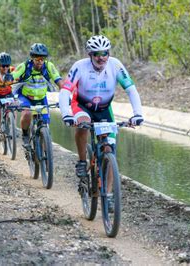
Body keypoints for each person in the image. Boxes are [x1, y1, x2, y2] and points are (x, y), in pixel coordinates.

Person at [59, 35, 144, 207]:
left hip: (104, 109)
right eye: (96, 53)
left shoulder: (116, 65)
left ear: (109, 53)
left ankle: (109, 194)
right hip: (82, 106)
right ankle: (82, 161)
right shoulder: (79, 67)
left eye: (105, 53)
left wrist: (137, 114)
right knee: (82, 123)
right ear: (90, 54)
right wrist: (66, 114)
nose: (101, 57)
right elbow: (65, 91)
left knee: (109, 149)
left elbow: (131, 89)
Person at [8, 43, 64, 147]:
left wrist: (65, 94)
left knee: (45, 123)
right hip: (25, 97)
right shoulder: (25, 66)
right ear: (32, 58)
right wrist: (9, 78)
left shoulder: (48, 66)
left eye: (42, 59)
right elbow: (14, 74)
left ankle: (43, 153)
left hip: (41, 98)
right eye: (37, 59)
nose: (40, 61)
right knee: (27, 114)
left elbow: (59, 80)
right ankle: (25, 134)